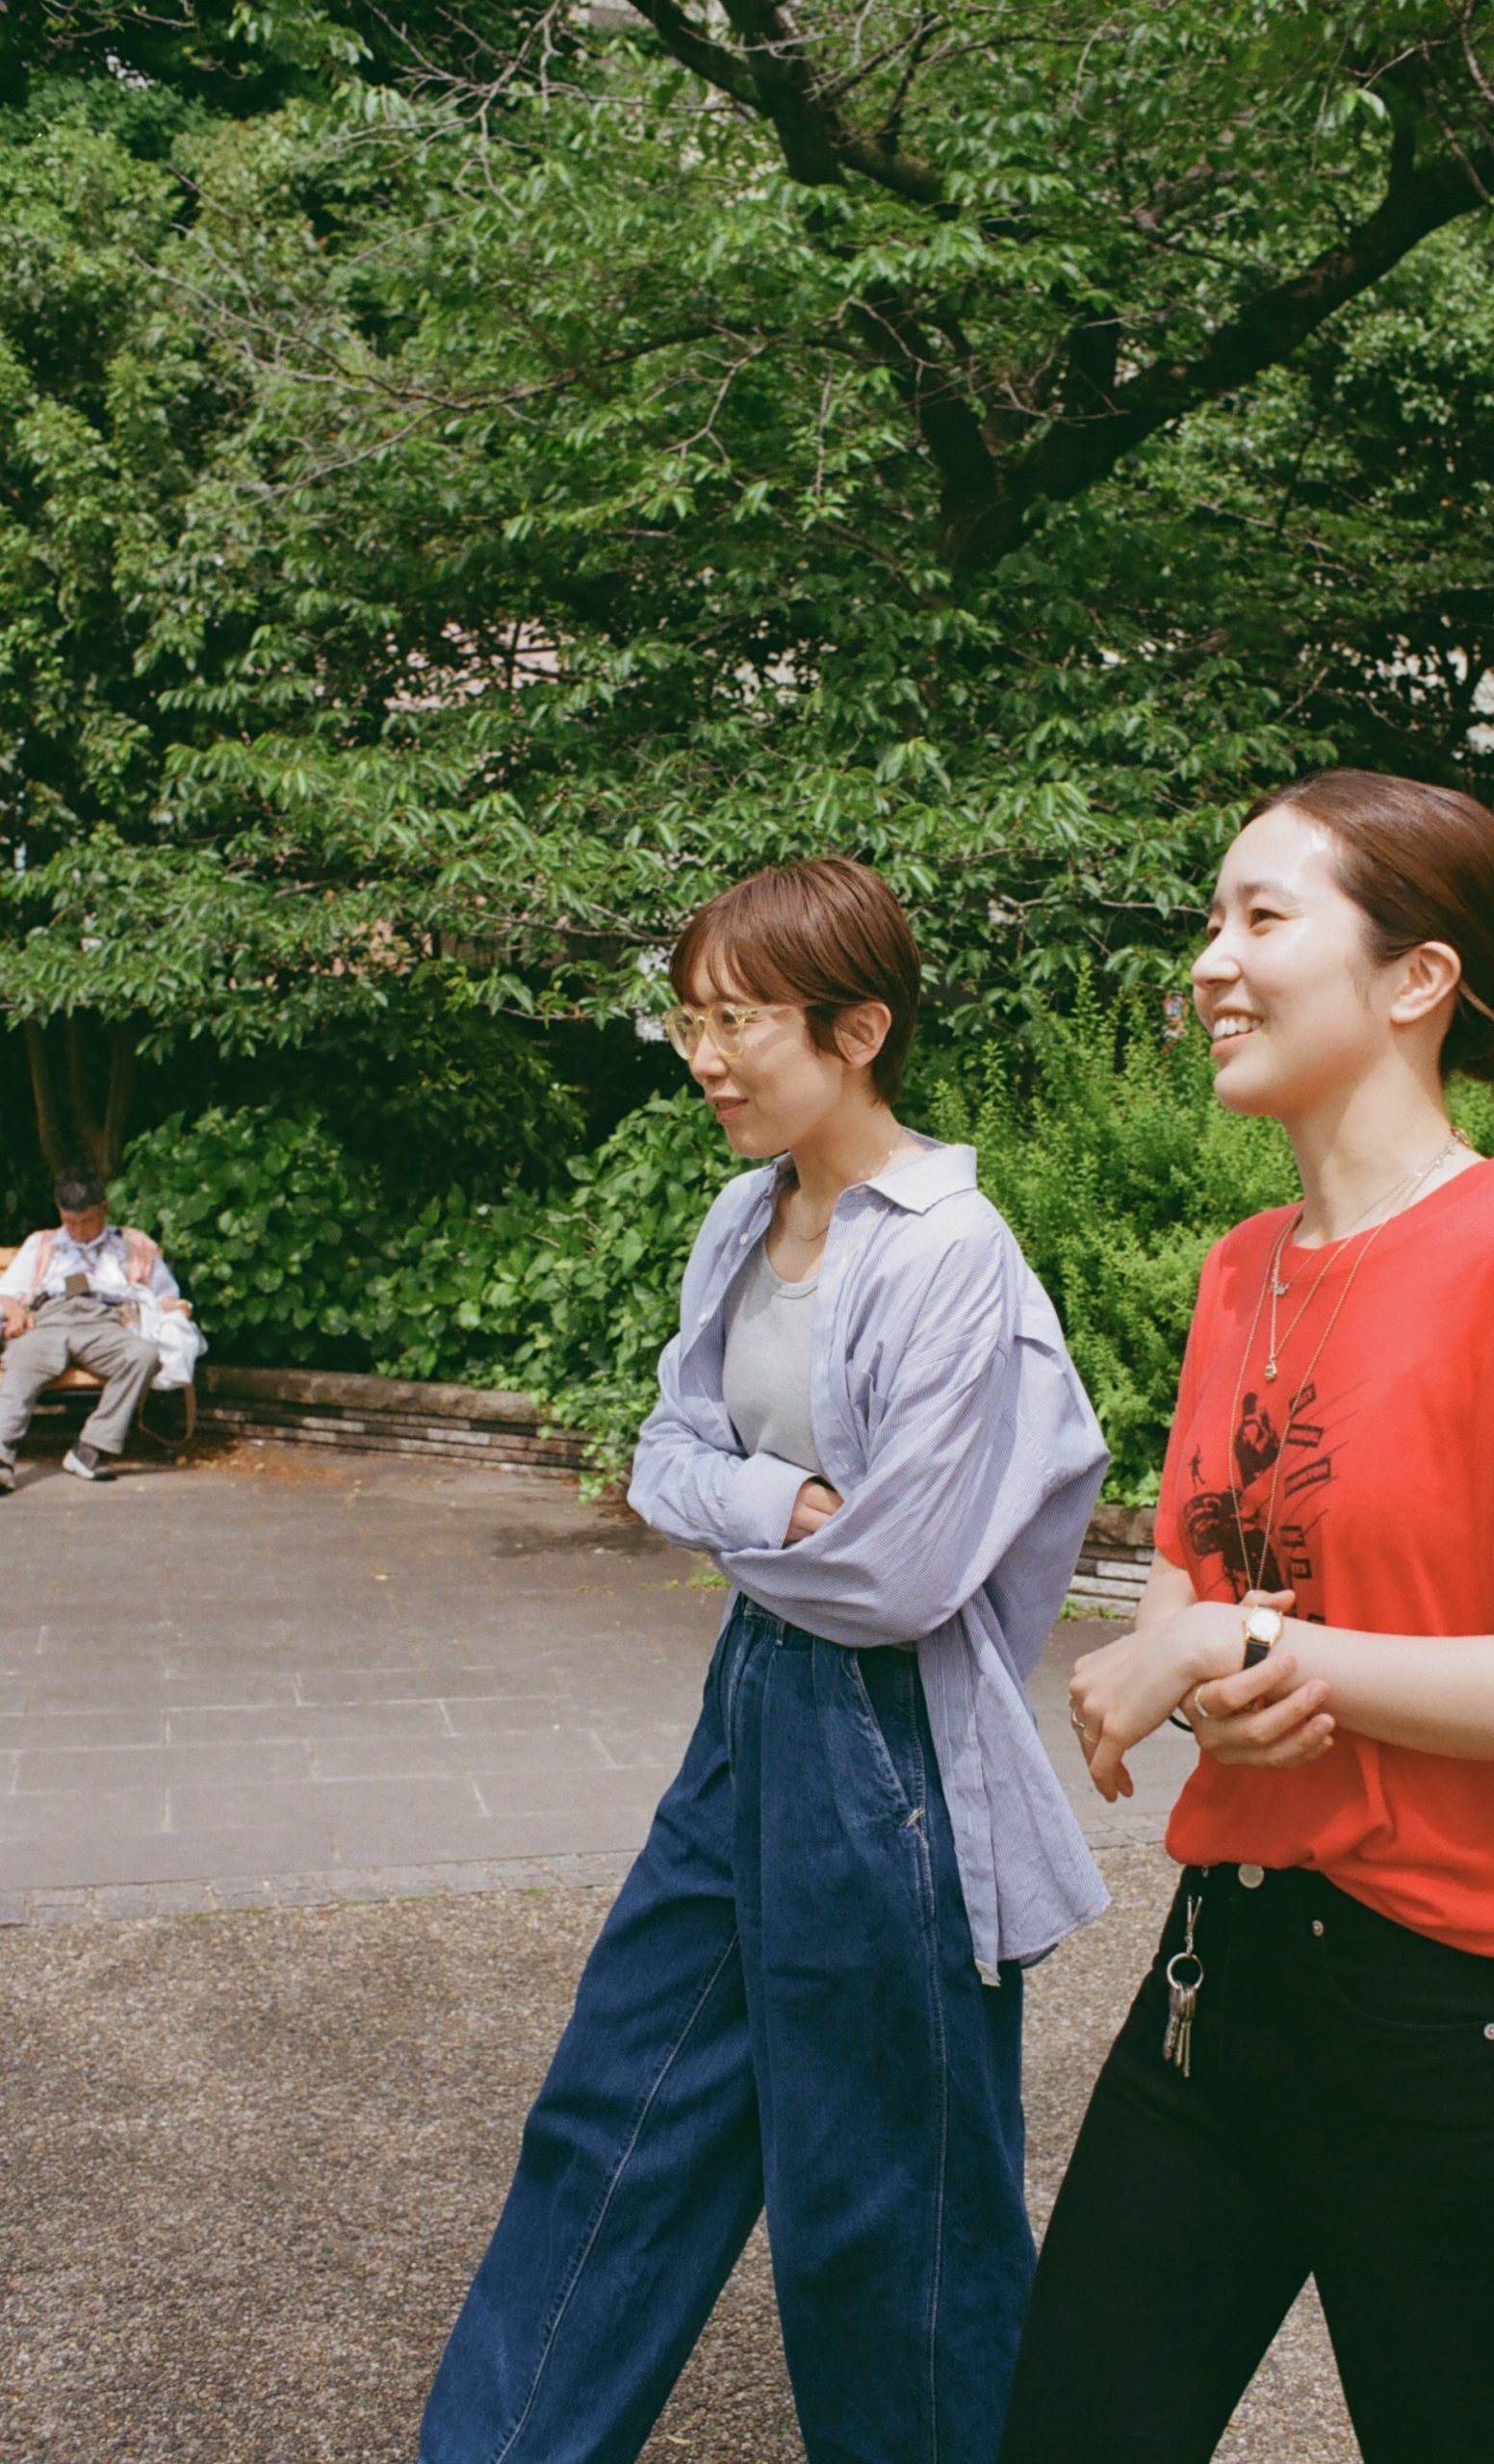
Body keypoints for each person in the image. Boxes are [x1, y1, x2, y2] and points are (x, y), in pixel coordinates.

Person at [420, 857, 1110, 2464]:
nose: (704, 1057)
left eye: (740, 1021)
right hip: (752, 1696)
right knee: (612, 2120)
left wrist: (737, 1504)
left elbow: (899, 1572)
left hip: (889, 1739)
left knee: (889, 2207)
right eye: (690, 1018)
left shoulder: (950, 1251)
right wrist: (766, 1503)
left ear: (858, 1030)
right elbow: (659, 1454)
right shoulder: (744, 1216)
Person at [999, 769, 1494, 2464]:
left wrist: (1248, 1651)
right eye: (1211, 917)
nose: (1210, 960)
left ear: (1416, 978)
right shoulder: (1239, 1267)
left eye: (1262, 917)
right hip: (1220, 1977)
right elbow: (1205, 1573)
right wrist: (1217, 1670)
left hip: (1446, 2022)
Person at [0, 1168, 193, 1490]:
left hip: (105, 1321)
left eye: (86, 1221)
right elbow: (5, 1293)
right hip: (48, 1318)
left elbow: (165, 1296)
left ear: (104, 1207)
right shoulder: (42, 1244)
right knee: (23, 1362)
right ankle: (1, 1457)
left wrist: (178, 1308)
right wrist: (13, 1308)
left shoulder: (131, 1245)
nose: (78, 1231)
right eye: (69, 1221)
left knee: (142, 1355)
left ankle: (90, 1449)